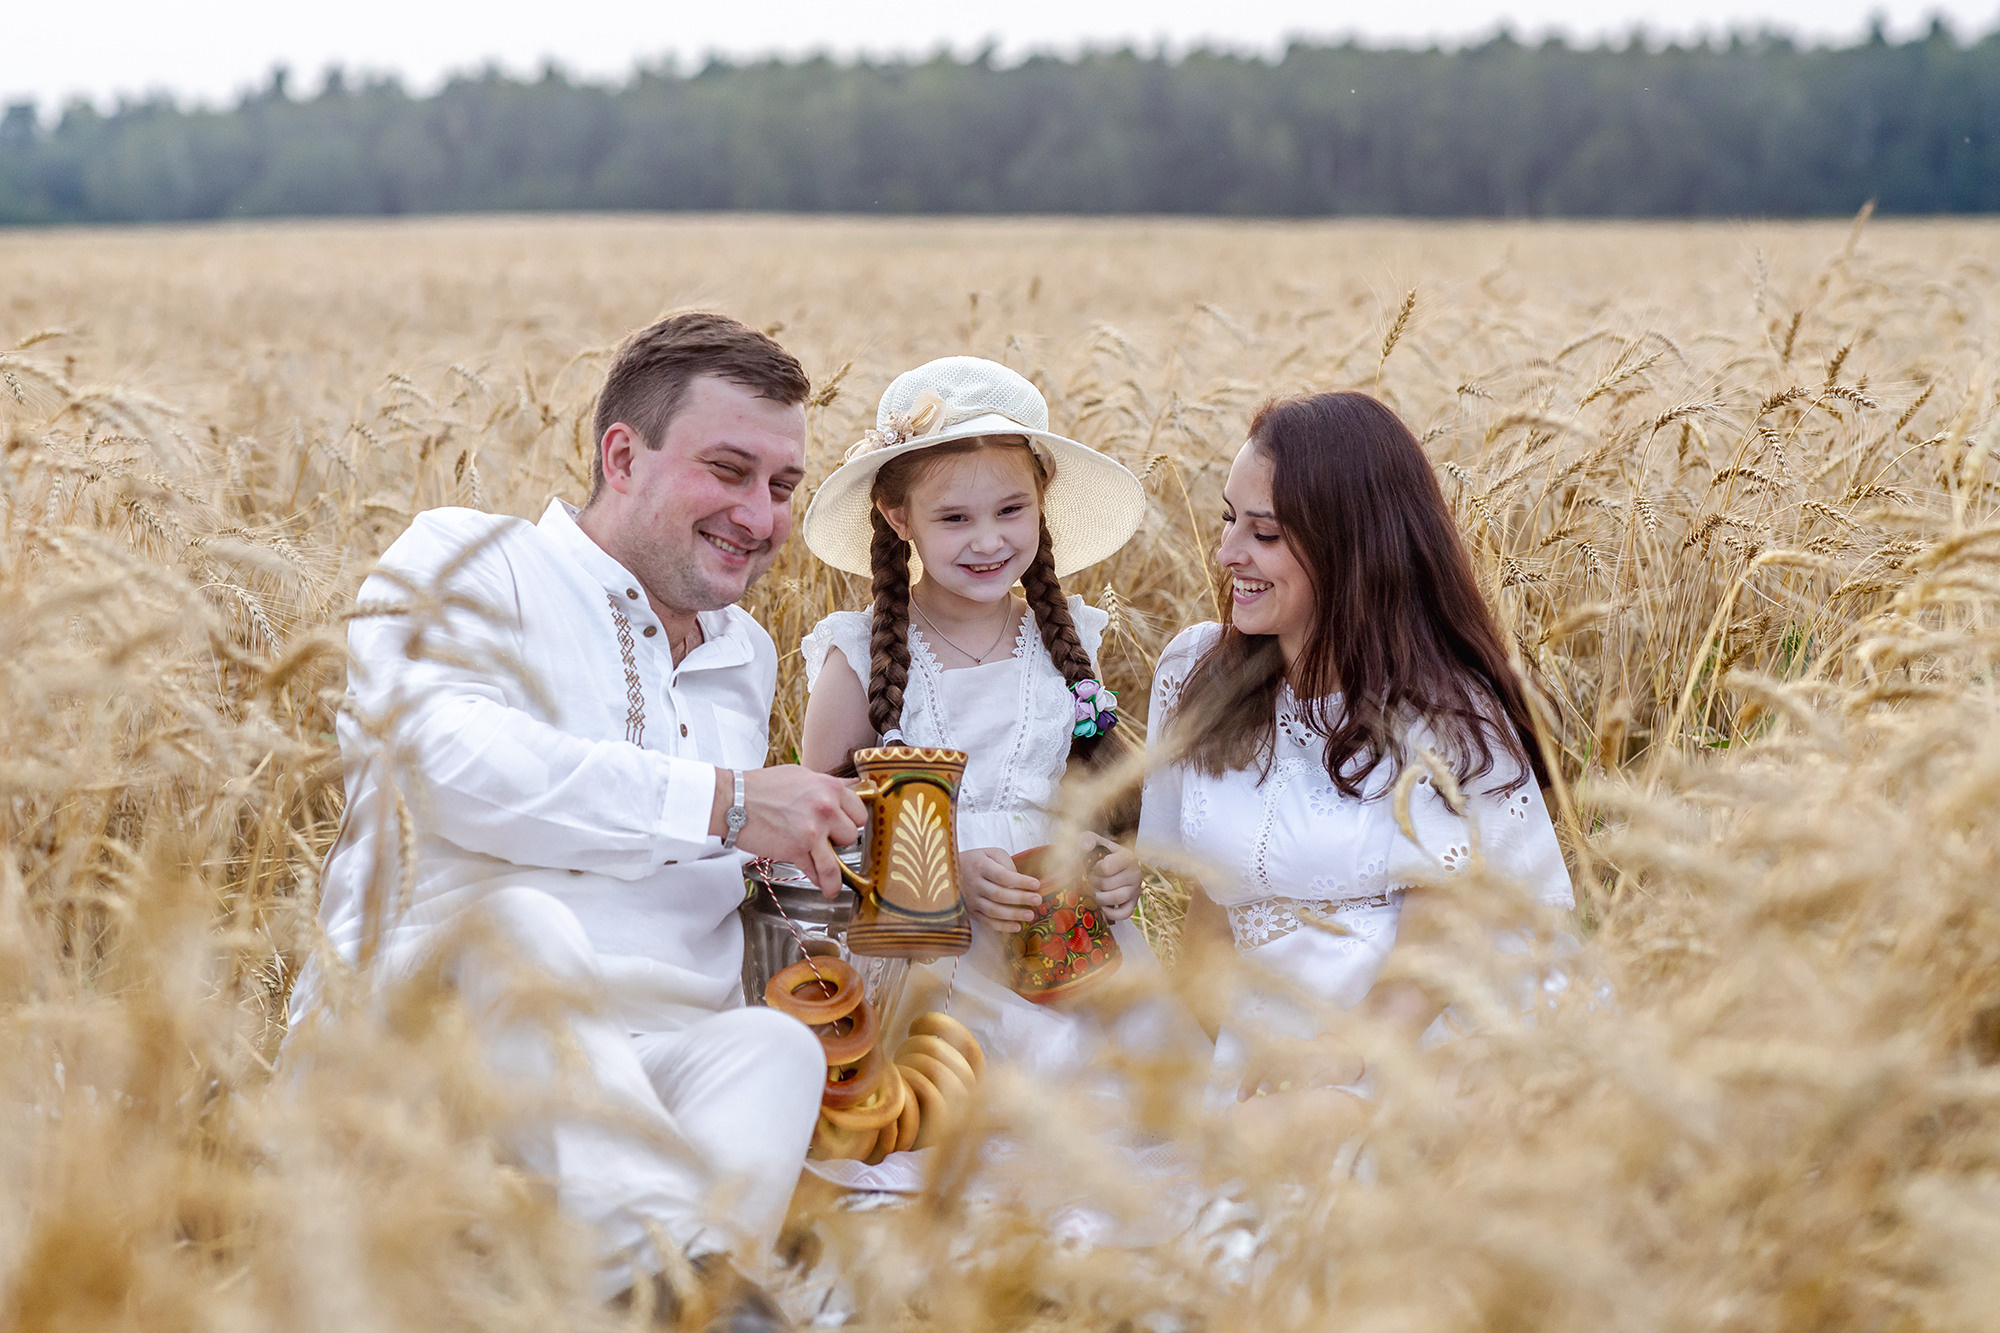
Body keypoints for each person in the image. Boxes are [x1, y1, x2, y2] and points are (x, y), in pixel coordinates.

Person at [287, 313, 868, 1330]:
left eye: (782, 486)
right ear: (621, 455)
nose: (761, 514)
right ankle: (691, 1285)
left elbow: (694, 882)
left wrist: (806, 883)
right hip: (434, 1056)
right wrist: (728, 802)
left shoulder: (743, 658)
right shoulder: (471, 558)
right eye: (728, 470)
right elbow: (445, 765)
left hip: (648, 1076)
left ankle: (664, 1291)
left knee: (775, 1050)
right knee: (520, 924)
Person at [1136, 390, 1575, 1125]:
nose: (1227, 552)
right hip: (1260, 1057)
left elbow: (1440, 951)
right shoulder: (1196, 676)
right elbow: (1207, 923)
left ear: (1350, 545)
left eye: (1265, 533)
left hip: (1416, 1046)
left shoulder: (1443, 714)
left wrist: (1332, 1063)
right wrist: (1233, 1059)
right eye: (1227, 518)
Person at [795, 355, 1173, 1077]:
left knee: (1126, 1110)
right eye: (955, 518)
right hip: (928, 953)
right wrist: (942, 871)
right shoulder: (856, 655)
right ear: (897, 517)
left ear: (1042, 501)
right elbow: (818, 829)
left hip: (1065, 943)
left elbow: (1079, 798)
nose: (989, 540)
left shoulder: (1068, 641)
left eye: (1010, 510)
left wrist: (1113, 862)